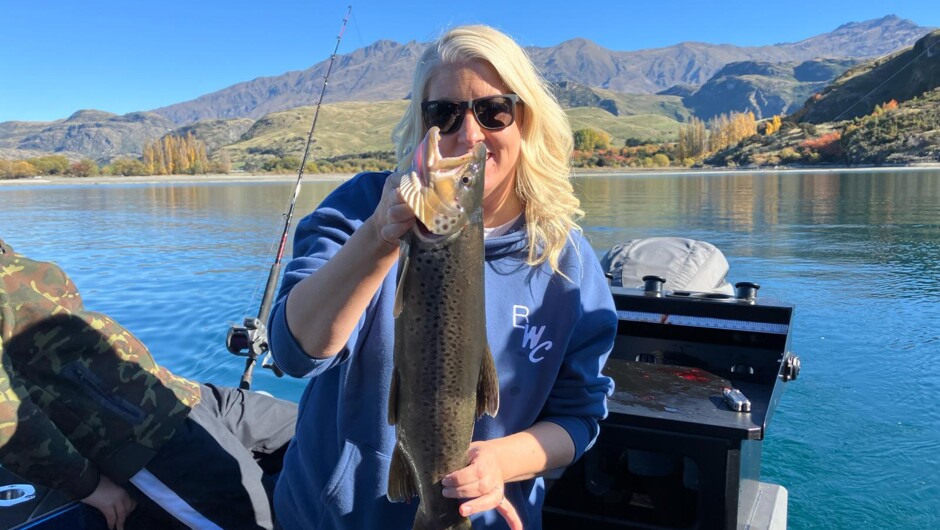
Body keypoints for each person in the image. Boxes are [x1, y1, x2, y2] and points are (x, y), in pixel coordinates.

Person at [268, 25, 618, 530]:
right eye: (445, 113)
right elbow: (294, 352)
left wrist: (500, 463)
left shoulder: (568, 262)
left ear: (525, 120)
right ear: (422, 124)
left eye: (494, 111)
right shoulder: (360, 208)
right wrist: (379, 237)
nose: (469, 134)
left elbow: (580, 416)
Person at [0, 238, 297, 530]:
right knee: (265, 521)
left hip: (180, 393)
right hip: (139, 438)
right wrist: (86, 484)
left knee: (312, 433)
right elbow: (5, 416)